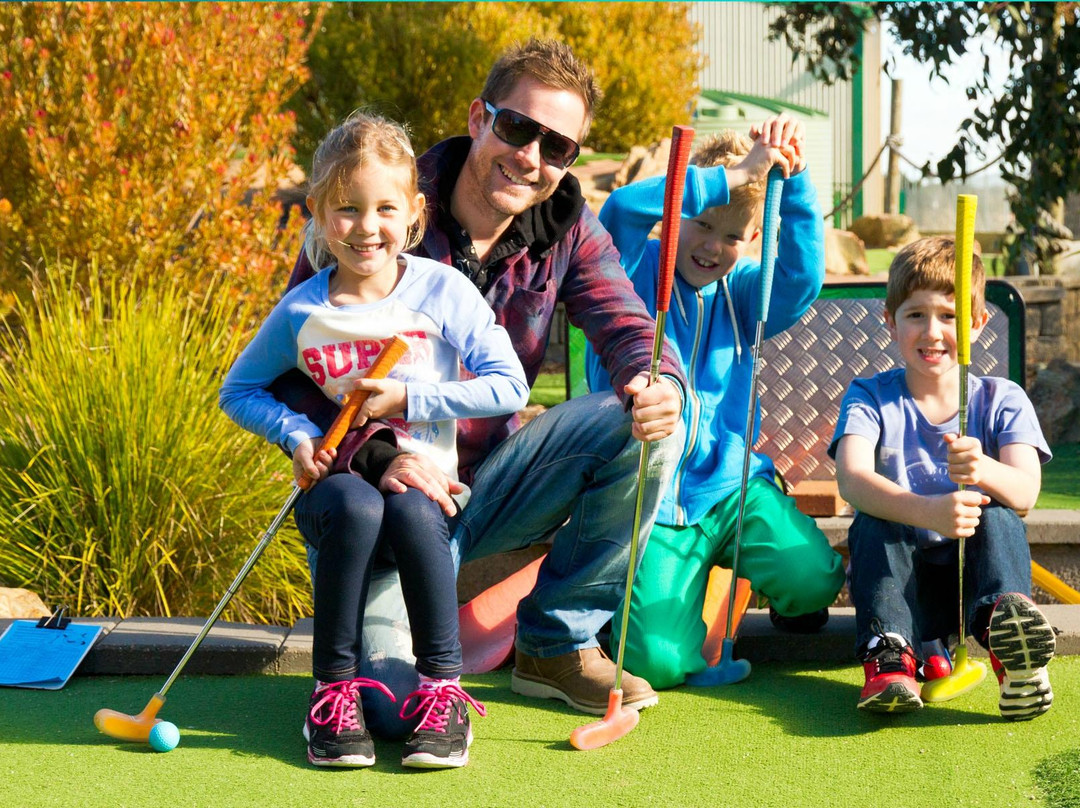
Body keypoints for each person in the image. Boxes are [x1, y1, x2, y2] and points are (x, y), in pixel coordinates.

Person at [271, 38, 686, 734]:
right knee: (389, 708)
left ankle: (555, 643)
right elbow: (294, 376)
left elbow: (626, 325)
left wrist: (658, 379)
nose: (530, 157)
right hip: (382, 506)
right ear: (478, 118)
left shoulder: (569, 230)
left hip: (489, 488)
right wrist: (376, 455)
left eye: (557, 147)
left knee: (654, 418)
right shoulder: (379, 206)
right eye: (517, 127)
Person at [220, 111, 531, 768]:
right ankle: (331, 693)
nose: (367, 227)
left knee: (410, 509)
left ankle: (442, 691)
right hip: (339, 500)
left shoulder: (441, 291)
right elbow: (238, 391)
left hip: (426, 499)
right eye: (347, 209)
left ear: (414, 211)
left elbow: (510, 386)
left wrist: (409, 399)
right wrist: (299, 434)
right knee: (359, 504)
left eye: (386, 208)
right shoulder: (303, 310)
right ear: (318, 213)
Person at [585, 118, 846, 688]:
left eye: (732, 236)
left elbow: (801, 280)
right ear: (678, 212)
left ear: (751, 240)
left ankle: (763, 582)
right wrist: (734, 176)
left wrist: (794, 180)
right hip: (651, 499)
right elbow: (623, 208)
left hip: (730, 488)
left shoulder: (744, 291)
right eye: (702, 224)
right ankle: (634, 606)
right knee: (656, 662)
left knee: (817, 580)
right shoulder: (630, 272)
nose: (712, 246)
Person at [830, 236, 1056, 719]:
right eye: (916, 314)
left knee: (998, 515)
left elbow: (1026, 492)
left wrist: (984, 469)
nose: (932, 331)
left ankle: (1011, 647)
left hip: (974, 587)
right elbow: (851, 479)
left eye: (950, 316)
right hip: (901, 586)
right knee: (874, 520)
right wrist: (929, 511)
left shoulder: (1002, 398)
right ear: (891, 321)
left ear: (977, 323)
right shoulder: (870, 396)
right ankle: (891, 656)